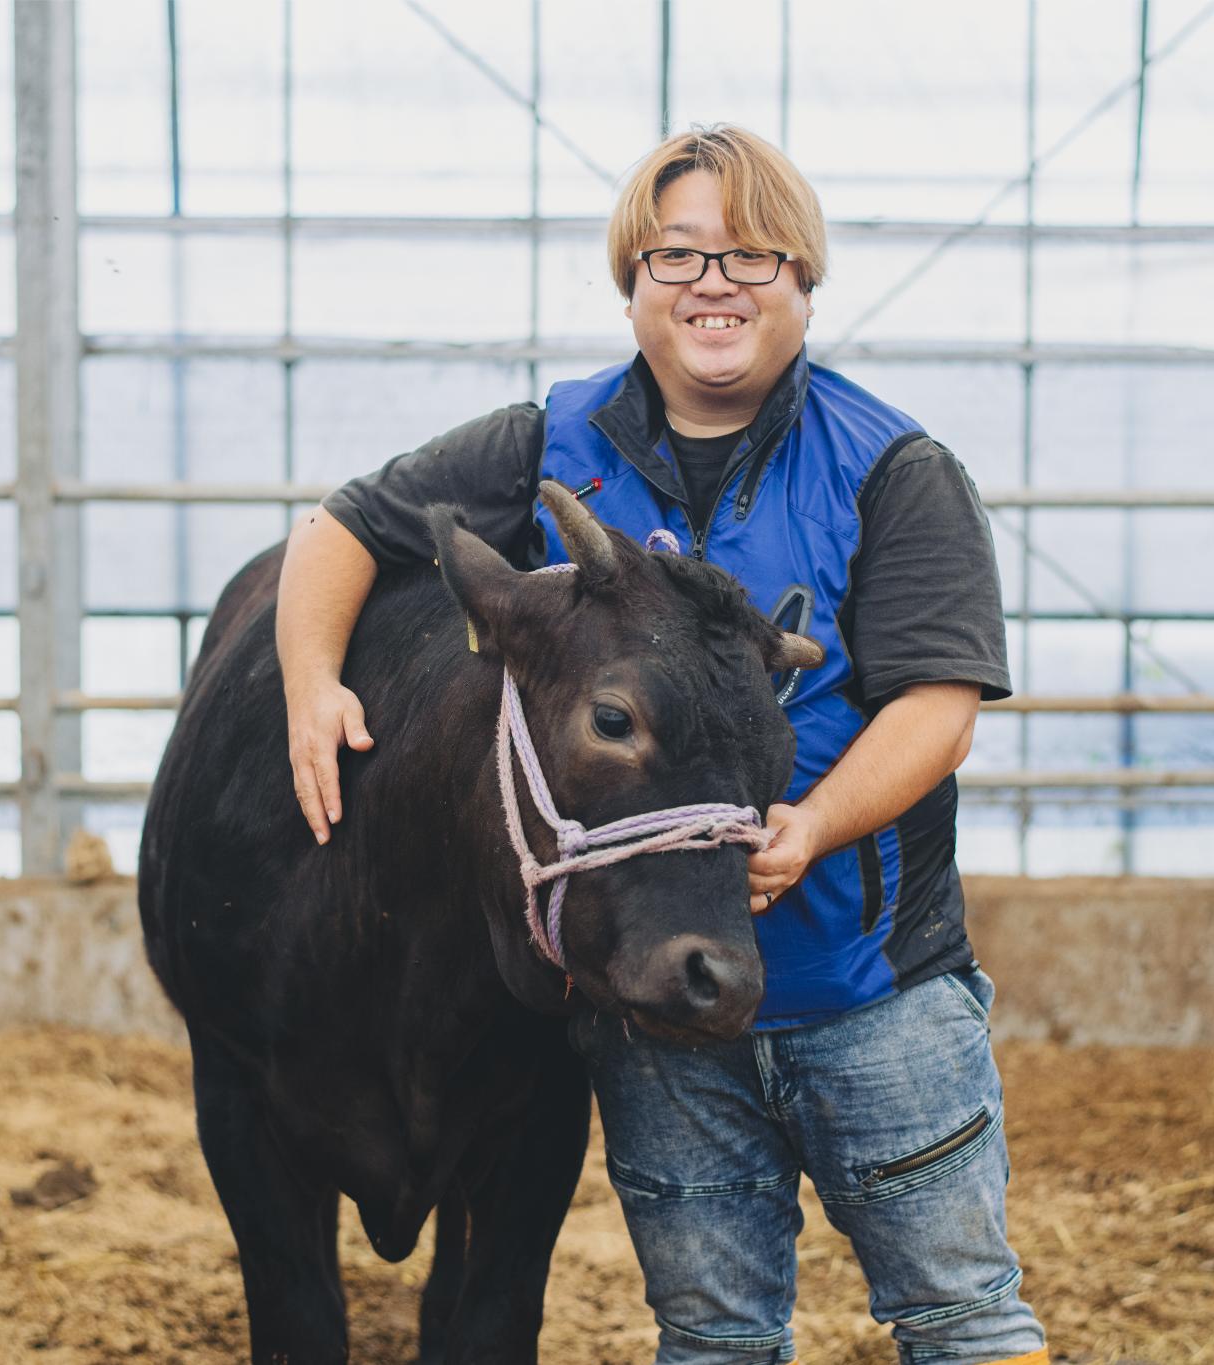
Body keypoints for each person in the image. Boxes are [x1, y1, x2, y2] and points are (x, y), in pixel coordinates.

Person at [274, 124, 1046, 1365]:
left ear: (804, 281)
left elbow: (936, 707)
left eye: (751, 256)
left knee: (962, 1318)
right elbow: (343, 528)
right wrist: (311, 684)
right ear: (631, 282)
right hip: (653, 1008)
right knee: (711, 1335)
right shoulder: (547, 447)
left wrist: (815, 824)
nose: (713, 285)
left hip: (871, 992)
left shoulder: (893, 469)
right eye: (678, 256)